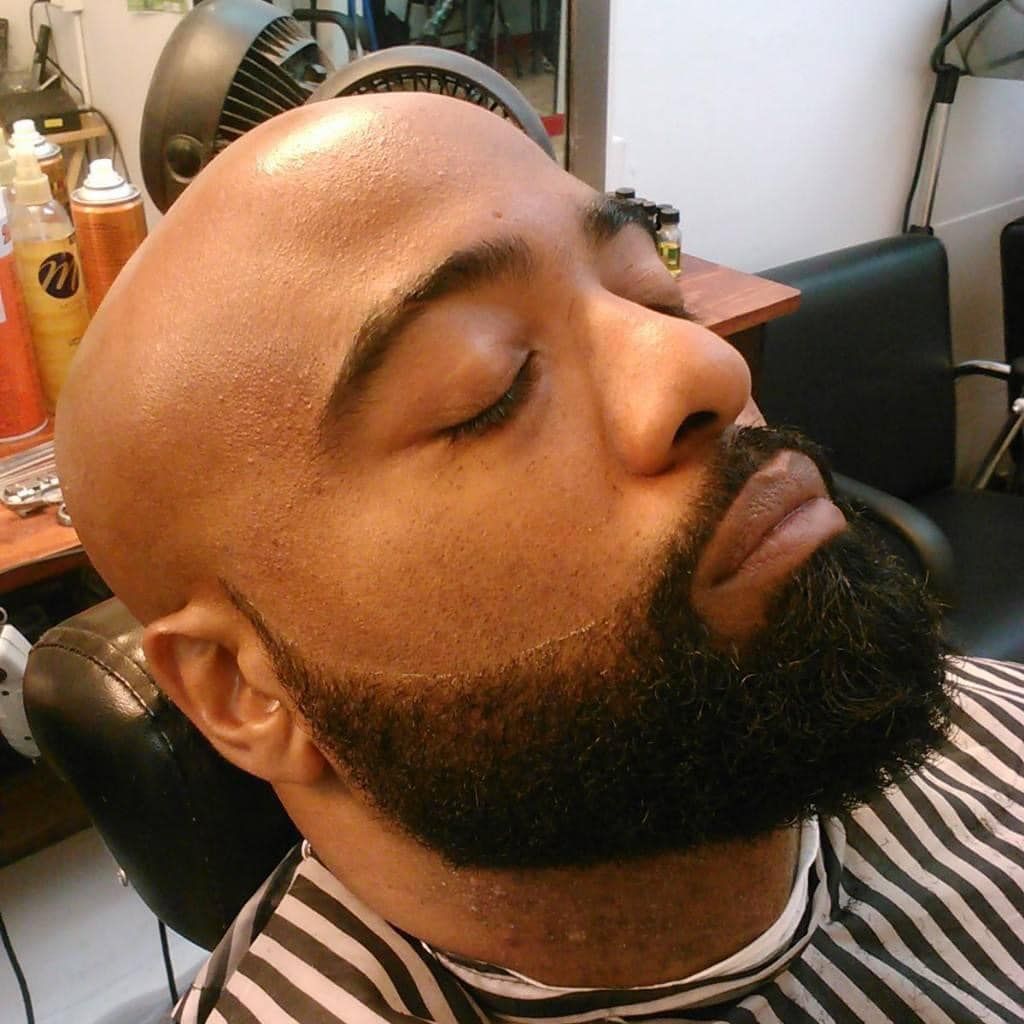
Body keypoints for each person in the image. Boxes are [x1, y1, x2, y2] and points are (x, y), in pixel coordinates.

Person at [56, 94, 1024, 1024]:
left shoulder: (981, 727)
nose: (711, 369)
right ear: (242, 684)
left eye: (652, 290)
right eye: (491, 388)